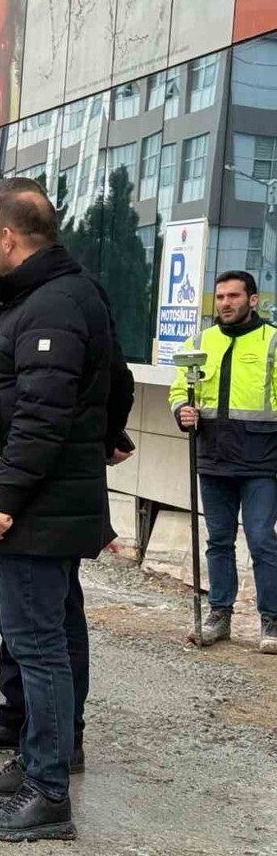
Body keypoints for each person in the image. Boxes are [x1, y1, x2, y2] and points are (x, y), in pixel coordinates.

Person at [0, 183, 118, 842]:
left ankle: (48, 793)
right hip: (49, 506)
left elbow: (41, 417)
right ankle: (45, 759)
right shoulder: (54, 297)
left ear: (10, 239)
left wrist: (1, 499)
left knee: (38, 646)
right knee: (51, 637)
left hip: (37, 511)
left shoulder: (52, 306)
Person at [170, 270, 277, 654]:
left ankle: (272, 619)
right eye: (220, 297)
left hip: (261, 459)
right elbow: (180, 386)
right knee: (218, 540)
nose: (226, 303)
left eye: (234, 296)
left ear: (252, 300)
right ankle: (219, 614)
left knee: (263, 539)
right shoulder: (200, 342)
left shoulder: (273, 341)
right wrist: (182, 408)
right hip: (213, 456)